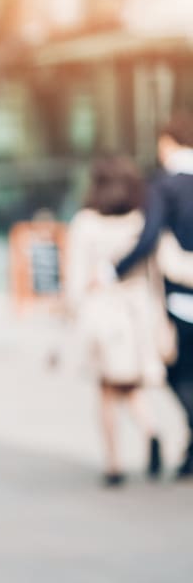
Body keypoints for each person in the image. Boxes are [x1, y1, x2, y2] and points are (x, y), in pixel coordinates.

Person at [66, 156, 166, 486]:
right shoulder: (139, 221)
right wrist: (159, 317)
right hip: (136, 312)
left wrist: (72, 310)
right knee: (130, 384)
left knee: (107, 390)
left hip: (102, 315)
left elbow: (76, 277)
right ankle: (151, 430)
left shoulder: (85, 223)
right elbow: (155, 274)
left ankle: (113, 463)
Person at [114, 111, 193, 479]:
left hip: (180, 294)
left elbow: (148, 238)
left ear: (167, 142)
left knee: (179, 373)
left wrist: (114, 270)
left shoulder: (165, 186)